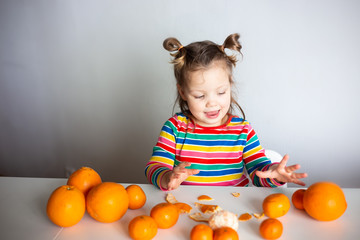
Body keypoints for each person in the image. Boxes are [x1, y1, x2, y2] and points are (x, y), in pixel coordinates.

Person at [145, 33, 307, 191]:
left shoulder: (243, 131)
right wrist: (167, 177)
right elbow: (155, 167)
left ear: (230, 86)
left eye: (221, 92)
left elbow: (259, 173)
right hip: (185, 208)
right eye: (200, 95)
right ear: (183, 92)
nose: (212, 102)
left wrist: (275, 175)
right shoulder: (174, 128)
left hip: (231, 211)